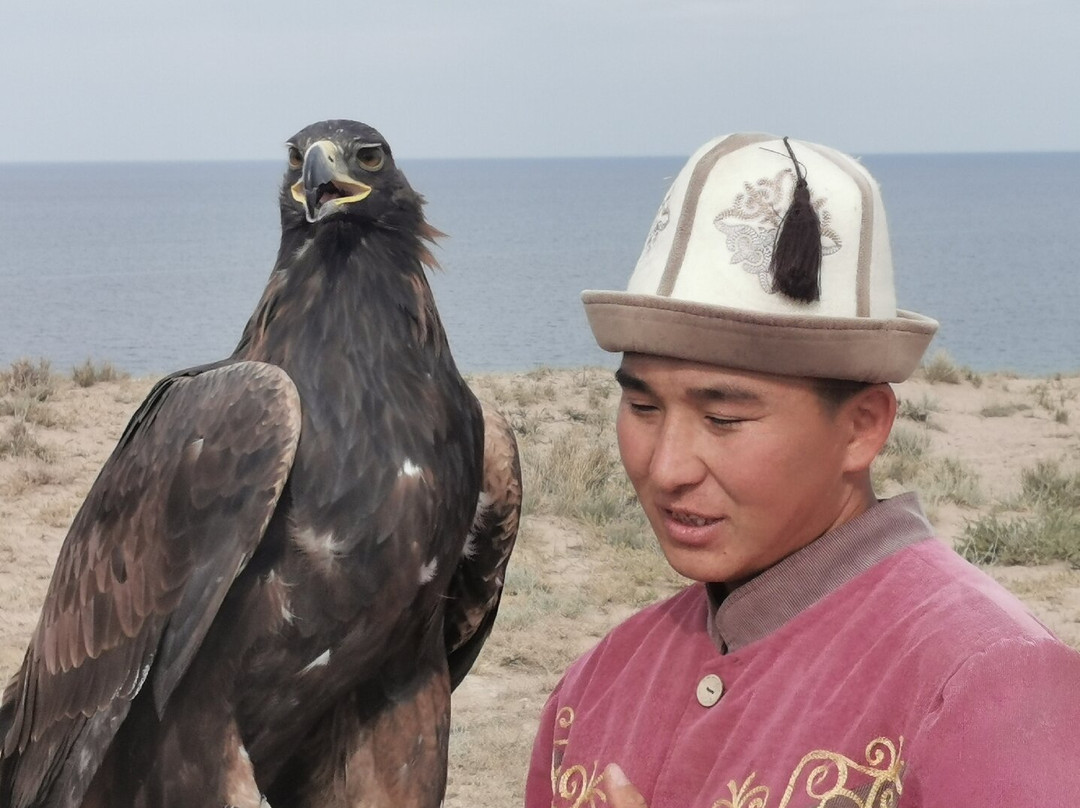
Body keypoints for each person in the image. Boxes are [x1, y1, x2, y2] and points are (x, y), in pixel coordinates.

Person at [524, 134, 1080, 807]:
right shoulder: (597, 685)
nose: (665, 467)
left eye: (723, 418)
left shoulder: (986, 680)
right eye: (641, 405)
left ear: (862, 427)